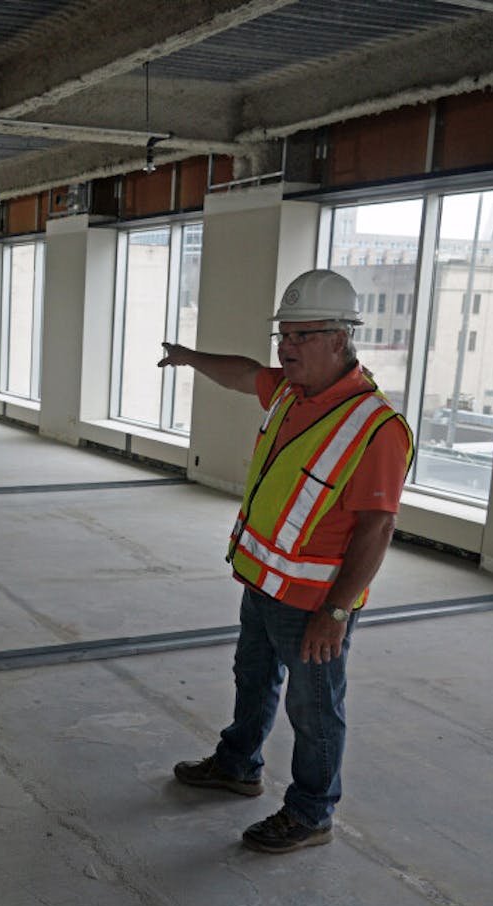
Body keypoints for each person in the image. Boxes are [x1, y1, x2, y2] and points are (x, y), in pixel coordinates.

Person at [158, 269, 413, 854]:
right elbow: (243, 373)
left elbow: (378, 527)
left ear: (340, 338)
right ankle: (237, 764)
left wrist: (338, 612)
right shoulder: (292, 392)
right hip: (264, 582)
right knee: (252, 676)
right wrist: (189, 357)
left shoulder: (376, 428)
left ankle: (311, 812)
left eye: (301, 336)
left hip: (316, 604)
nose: (286, 347)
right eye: (284, 335)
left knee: (314, 709)